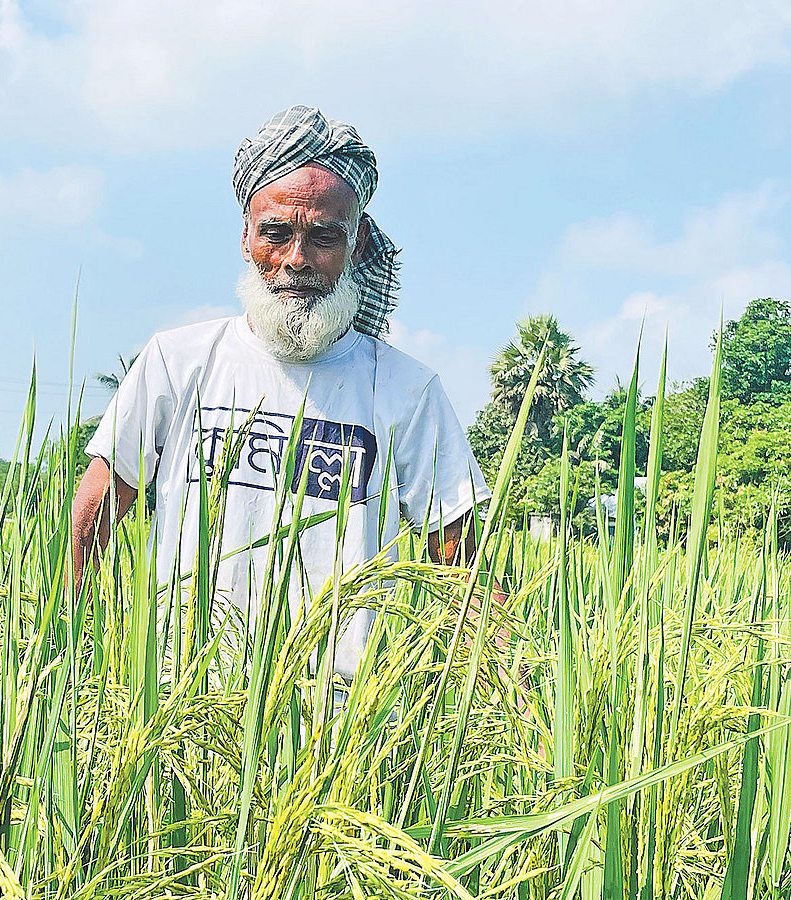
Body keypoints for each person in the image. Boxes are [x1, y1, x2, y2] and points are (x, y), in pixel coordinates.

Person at [71, 105, 491, 678]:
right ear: (246, 236)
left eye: (323, 237)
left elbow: (462, 561)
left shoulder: (407, 391)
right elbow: (97, 508)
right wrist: (76, 650)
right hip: (181, 703)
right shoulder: (177, 362)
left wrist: (506, 701)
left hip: (342, 721)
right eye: (277, 233)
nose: (297, 258)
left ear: (357, 241)